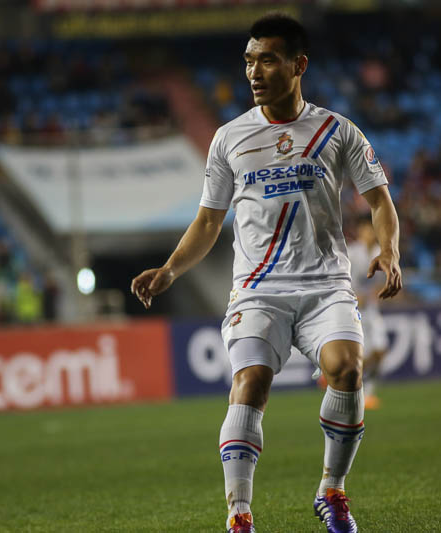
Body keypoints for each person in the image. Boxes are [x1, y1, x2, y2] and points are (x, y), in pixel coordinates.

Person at [131, 14, 402, 533]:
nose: (254, 71)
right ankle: (239, 516)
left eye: (268, 60)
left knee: (347, 369)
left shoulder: (337, 131)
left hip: (326, 286)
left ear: (299, 65)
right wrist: (170, 269)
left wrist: (389, 252)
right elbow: (208, 221)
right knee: (250, 382)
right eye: (249, 61)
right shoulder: (229, 138)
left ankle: (332, 491)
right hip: (258, 290)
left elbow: (380, 201)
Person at [347, 215, 390, 410]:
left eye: (374, 228)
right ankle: (356, 389)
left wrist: (379, 291)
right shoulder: (351, 253)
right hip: (352, 310)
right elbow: (339, 281)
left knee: (380, 352)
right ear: (360, 230)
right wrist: (354, 295)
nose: (371, 232)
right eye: (368, 228)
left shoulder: (379, 252)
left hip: (371, 309)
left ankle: (363, 390)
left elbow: (380, 282)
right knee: (364, 354)